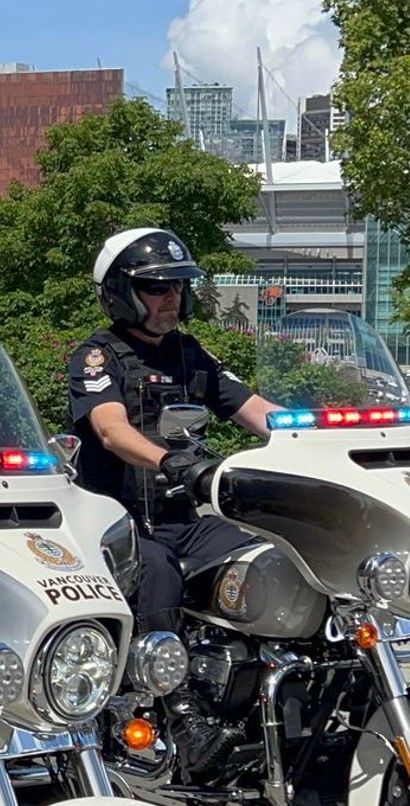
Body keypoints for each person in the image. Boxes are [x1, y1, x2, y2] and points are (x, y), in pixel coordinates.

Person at [65, 227, 277, 632]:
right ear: (121, 292)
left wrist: (323, 436)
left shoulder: (190, 353)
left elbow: (259, 412)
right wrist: (168, 460)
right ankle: (155, 689)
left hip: (187, 520)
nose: (172, 296)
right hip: (121, 524)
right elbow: (111, 429)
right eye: (156, 287)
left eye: (178, 285)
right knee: (158, 574)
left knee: (268, 556)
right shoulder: (97, 356)